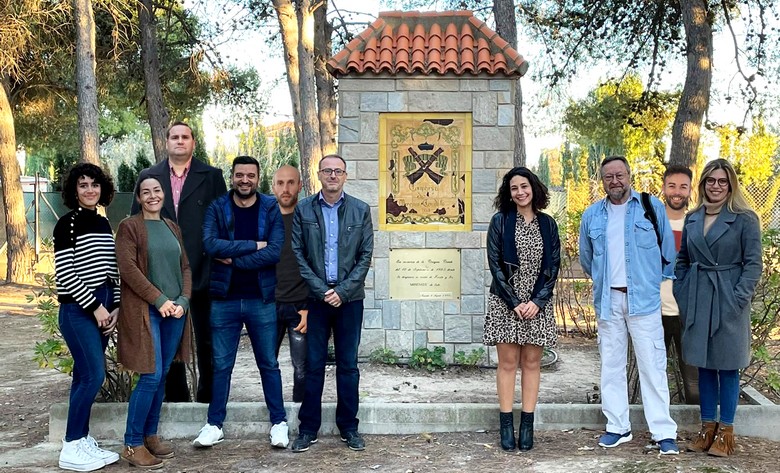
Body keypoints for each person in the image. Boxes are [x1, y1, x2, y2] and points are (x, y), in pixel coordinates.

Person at [579, 156, 679, 454]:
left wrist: (648, 283)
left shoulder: (651, 207)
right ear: (602, 180)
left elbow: (668, 253)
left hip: (644, 302)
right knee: (611, 366)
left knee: (653, 366)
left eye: (619, 175)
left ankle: (663, 432)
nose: (614, 181)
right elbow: (588, 259)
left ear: (629, 175)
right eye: (608, 176)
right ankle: (617, 427)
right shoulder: (592, 215)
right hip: (609, 301)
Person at [192, 156, 288, 449]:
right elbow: (210, 245)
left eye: (250, 175)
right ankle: (214, 424)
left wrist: (233, 259)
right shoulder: (217, 207)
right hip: (224, 300)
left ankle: (279, 423)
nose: (244, 180)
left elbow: (274, 252)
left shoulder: (270, 207)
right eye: (239, 175)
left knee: (268, 364)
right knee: (221, 365)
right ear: (232, 177)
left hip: (261, 298)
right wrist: (251, 246)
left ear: (259, 178)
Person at [132, 121, 227, 403]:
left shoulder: (211, 176)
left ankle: (209, 401)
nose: (180, 141)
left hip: (204, 271)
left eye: (185, 137)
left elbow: (223, 222)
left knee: (209, 340)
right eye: (174, 137)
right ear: (167, 142)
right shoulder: (149, 176)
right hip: (164, 276)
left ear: (193, 143)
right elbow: (137, 224)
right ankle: (176, 400)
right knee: (169, 342)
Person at [673, 159, 762, 457]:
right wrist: (683, 292)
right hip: (698, 298)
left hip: (729, 298)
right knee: (704, 366)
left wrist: (739, 298)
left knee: (727, 366)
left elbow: (753, 264)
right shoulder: (694, 217)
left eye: (722, 181)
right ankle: (706, 429)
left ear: (731, 184)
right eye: (711, 180)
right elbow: (683, 259)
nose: (716, 186)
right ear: (703, 184)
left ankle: (726, 433)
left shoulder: (745, 218)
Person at [290, 154, 374, 453]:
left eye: (338, 171)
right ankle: (308, 428)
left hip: (350, 301)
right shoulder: (304, 209)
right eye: (328, 171)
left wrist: (344, 291)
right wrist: (323, 290)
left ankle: (349, 427)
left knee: (348, 365)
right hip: (317, 299)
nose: (333, 175)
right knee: (313, 365)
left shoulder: (361, 210)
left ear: (345, 176)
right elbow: (298, 254)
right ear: (319, 174)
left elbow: (365, 256)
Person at [116, 177, 193, 469]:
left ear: (164, 195)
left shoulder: (171, 227)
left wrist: (183, 301)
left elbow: (184, 266)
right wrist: (159, 300)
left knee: (161, 377)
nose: (152, 196)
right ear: (138, 196)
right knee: (150, 374)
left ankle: (150, 435)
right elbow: (129, 270)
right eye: (146, 191)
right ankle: (132, 443)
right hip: (147, 311)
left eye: (157, 191)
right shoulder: (130, 227)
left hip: (175, 312)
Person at [485, 167, 561, 451]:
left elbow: (552, 265)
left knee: (531, 364)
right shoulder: (500, 221)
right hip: (507, 302)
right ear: (509, 192)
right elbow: (495, 265)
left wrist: (536, 302)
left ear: (534, 189)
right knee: (507, 364)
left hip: (537, 303)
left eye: (524, 186)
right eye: (514, 188)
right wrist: (515, 301)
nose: (520, 192)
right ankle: (506, 424)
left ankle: (527, 425)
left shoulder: (548, 224)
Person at [53, 163, 121, 471]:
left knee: (82, 376)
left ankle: (81, 440)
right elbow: (65, 273)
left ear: (102, 189)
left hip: (106, 309)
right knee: (94, 375)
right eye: (83, 185)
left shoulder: (103, 223)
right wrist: (96, 307)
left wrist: (116, 305)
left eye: (94, 184)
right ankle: (70, 447)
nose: (90, 190)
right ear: (74, 190)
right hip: (79, 311)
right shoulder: (66, 224)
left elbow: (111, 269)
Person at [659, 165, 699, 404]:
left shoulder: (696, 224)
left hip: (688, 313)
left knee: (694, 381)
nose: (677, 192)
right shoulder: (651, 223)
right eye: (672, 185)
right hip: (655, 311)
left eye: (683, 186)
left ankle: (698, 429)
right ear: (664, 187)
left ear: (690, 190)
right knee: (653, 376)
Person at [272, 165, 309, 403]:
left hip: (301, 306)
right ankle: (277, 418)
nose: (286, 189)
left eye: (291, 183)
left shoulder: (308, 220)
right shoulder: (264, 220)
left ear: (300, 185)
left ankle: (301, 419)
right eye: (280, 183)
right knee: (268, 365)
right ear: (273, 186)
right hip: (269, 306)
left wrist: (310, 306)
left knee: (302, 368)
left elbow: (318, 265)